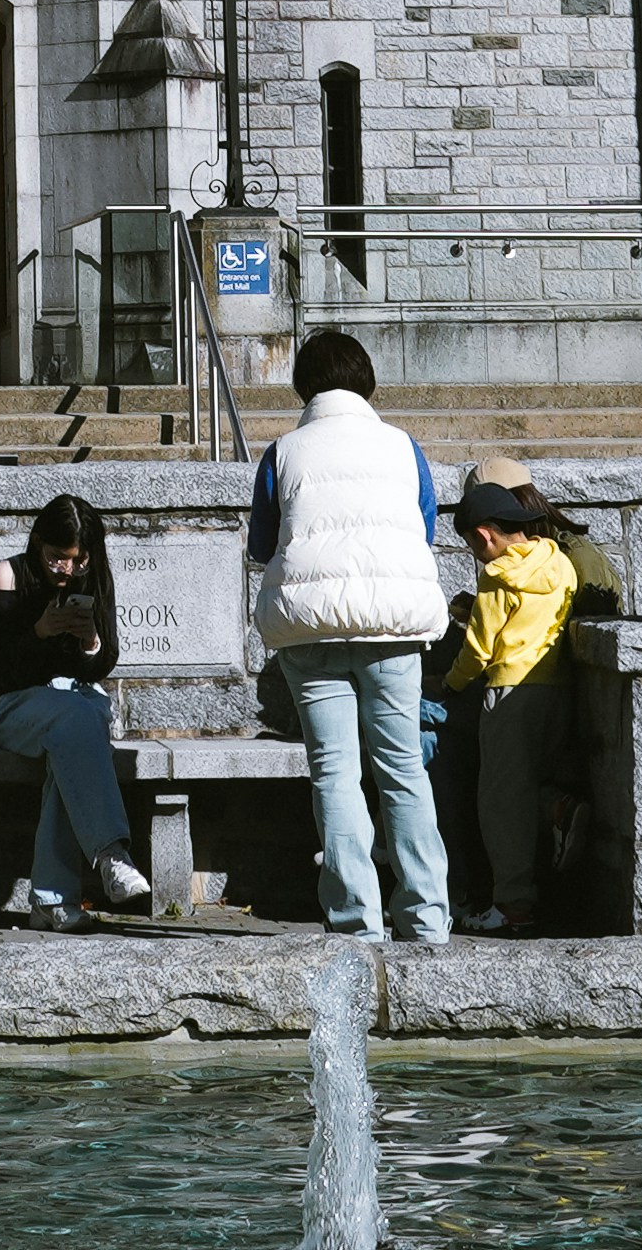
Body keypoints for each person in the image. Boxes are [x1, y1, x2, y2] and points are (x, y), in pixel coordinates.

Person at [244, 325, 454, 940]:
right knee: (403, 769)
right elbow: (423, 528)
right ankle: (426, 918)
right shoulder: (403, 446)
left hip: (310, 630)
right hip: (392, 626)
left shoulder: (283, 451)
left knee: (334, 775)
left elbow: (261, 544)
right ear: (367, 382)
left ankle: (356, 922)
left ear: (303, 386)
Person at [0, 491, 157, 923]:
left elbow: (104, 661)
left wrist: (91, 641)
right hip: (16, 707)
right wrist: (38, 632)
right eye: (58, 558)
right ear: (38, 542)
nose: (67, 569)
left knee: (75, 732)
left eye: (78, 561)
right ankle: (110, 854)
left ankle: (54, 904)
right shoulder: (10, 575)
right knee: (79, 719)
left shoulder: (93, 576)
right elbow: (0, 673)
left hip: (77, 703)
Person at [438, 477, 581, 933]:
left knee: (501, 803)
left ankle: (513, 907)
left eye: (472, 545)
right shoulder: (558, 563)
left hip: (508, 695)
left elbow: (479, 651)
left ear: (485, 535)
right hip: (555, 688)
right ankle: (558, 808)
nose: (475, 555)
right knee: (533, 782)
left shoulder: (497, 577)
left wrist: (450, 683)